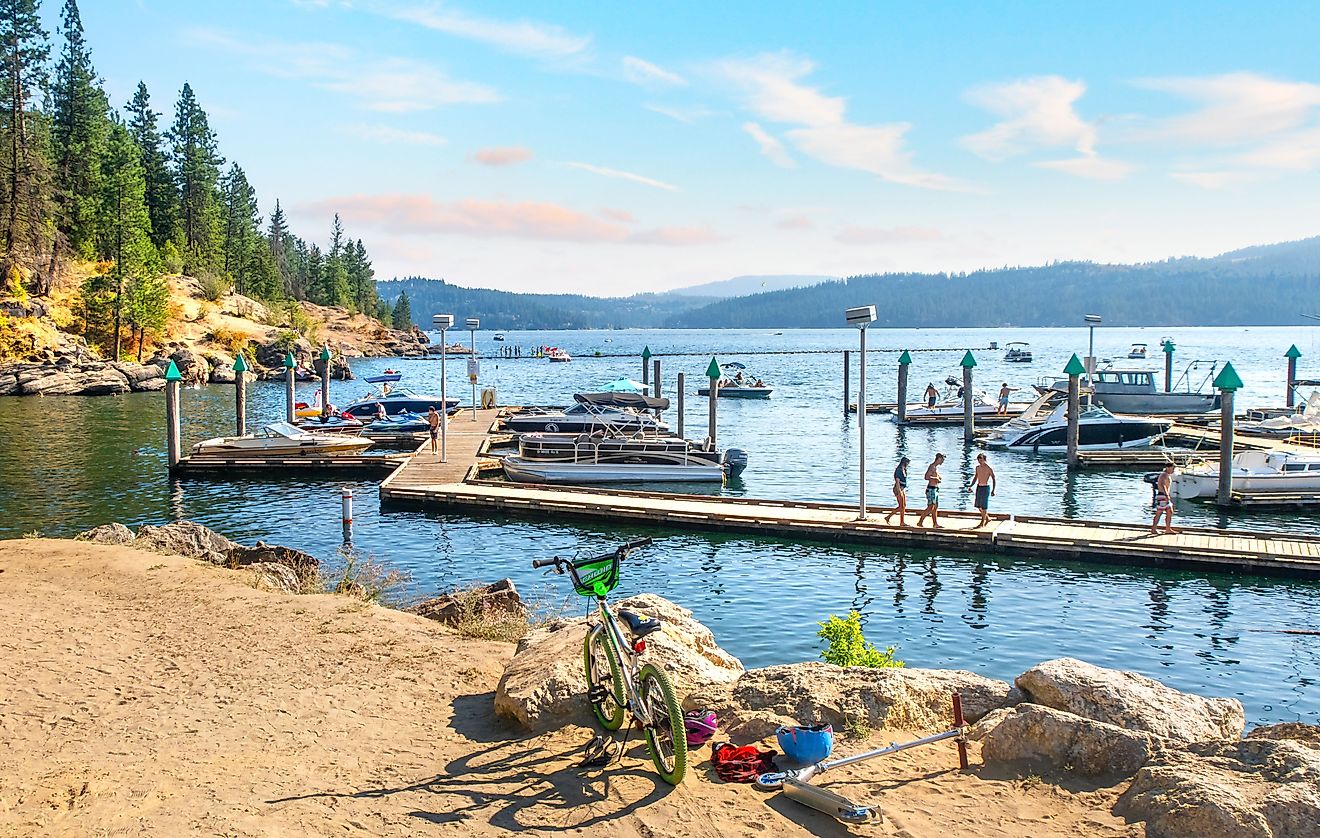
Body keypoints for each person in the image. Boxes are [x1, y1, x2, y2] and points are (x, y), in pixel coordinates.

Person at [915, 453, 946, 528]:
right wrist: (935, 479)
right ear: (939, 459)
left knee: (935, 507)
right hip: (931, 489)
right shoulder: (932, 466)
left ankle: (935, 524)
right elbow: (926, 477)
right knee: (930, 507)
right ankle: (920, 522)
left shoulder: (935, 467)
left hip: (935, 489)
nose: (943, 462)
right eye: (942, 460)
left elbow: (934, 475)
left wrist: (938, 477)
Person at [970, 453, 996, 528]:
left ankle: (982, 522)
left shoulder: (988, 468)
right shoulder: (977, 468)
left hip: (985, 487)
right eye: (978, 459)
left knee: (984, 506)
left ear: (984, 459)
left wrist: (993, 490)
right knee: (978, 505)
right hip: (979, 487)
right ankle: (987, 518)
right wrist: (971, 485)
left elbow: (993, 478)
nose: (979, 460)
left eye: (981, 459)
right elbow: (975, 477)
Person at [884, 456, 911, 526]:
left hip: (902, 488)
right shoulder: (899, 470)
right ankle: (901, 522)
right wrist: (899, 491)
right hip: (898, 488)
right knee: (901, 506)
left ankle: (888, 517)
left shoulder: (904, 469)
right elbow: (897, 481)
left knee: (903, 505)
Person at [1150, 463, 1176, 534]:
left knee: (1169, 511)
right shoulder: (1164, 475)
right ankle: (1154, 529)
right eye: (1173, 468)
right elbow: (1162, 484)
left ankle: (1168, 529)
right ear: (1168, 468)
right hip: (1163, 496)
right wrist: (1167, 495)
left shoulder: (1166, 475)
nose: (1173, 470)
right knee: (1159, 512)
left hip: (1164, 495)